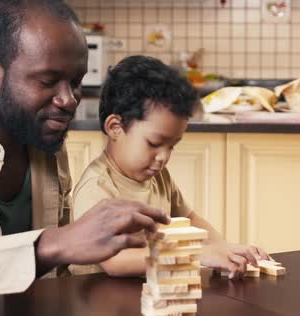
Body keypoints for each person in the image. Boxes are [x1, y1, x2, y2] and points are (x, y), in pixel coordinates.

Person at [0, 0, 169, 305]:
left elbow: (57, 275)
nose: (68, 100)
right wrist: (49, 244)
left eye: (75, 82)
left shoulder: (42, 138)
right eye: (47, 81)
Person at [72, 55, 271, 278]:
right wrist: (196, 254)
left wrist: (223, 248)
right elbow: (116, 261)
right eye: (154, 144)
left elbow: (191, 220)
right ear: (115, 127)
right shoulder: (96, 187)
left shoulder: (158, 176)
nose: (163, 157)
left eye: (172, 146)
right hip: (96, 298)